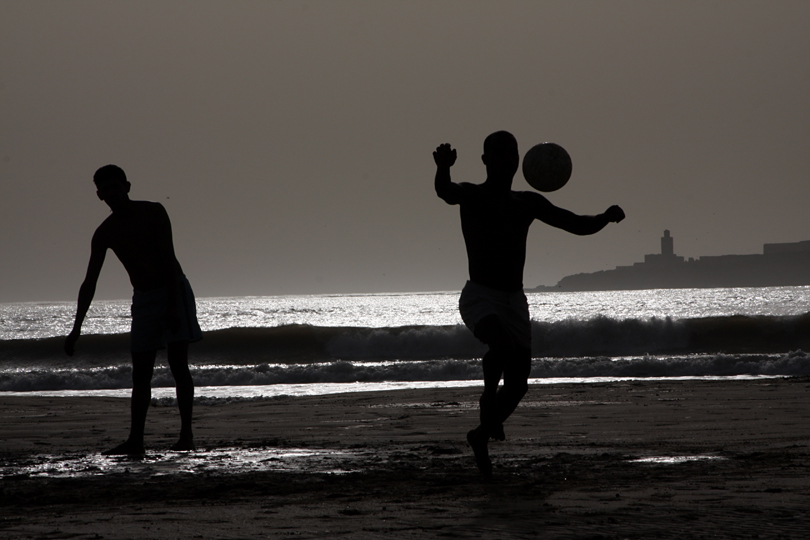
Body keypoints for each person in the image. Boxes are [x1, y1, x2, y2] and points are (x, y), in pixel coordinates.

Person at [433, 131, 625, 475]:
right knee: (502, 347)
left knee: (520, 383)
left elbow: (574, 224)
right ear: (485, 160)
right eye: (500, 153)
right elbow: (445, 192)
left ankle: (480, 435)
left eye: (512, 153)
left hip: (514, 301)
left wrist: (604, 217)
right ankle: (488, 400)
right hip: (480, 296)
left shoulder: (527, 203)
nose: (507, 159)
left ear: (519, 161)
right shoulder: (473, 195)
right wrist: (443, 168)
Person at [64, 165, 202, 456]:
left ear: (127, 186)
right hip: (143, 299)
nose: (113, 193)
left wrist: (173, 307)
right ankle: (135, 441)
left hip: (172, 288)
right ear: (99, 195)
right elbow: (90, 282)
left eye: (117, 186)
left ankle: (186, 435)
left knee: (179, 366)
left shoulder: (153, 212)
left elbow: (167, 258)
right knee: (141, 374)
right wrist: (77, 327)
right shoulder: (105, 233)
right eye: (106, 190)